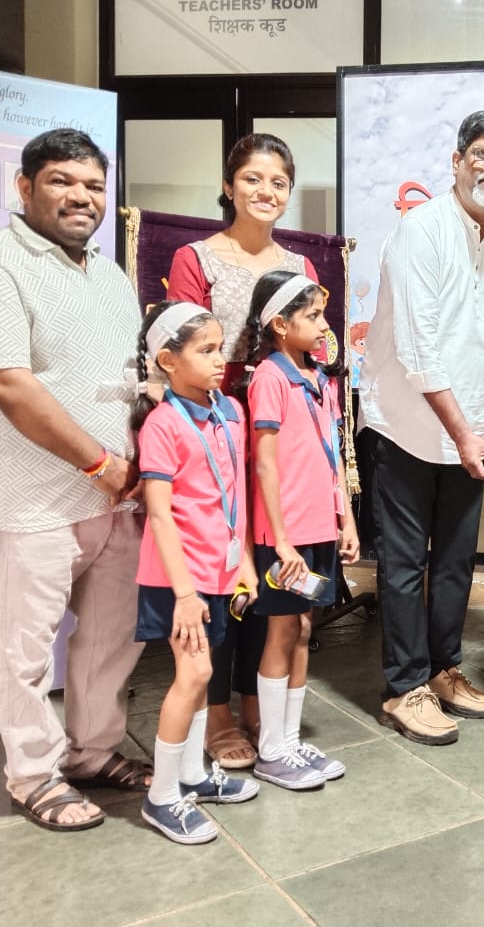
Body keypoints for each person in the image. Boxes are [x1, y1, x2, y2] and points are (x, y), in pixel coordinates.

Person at [0, 128, 149, 833]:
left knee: (110, 639)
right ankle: (34, 774)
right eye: (62, 181)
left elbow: (128, 378)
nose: (81, 197)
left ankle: (91, 752)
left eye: (94, 185)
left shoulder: (109, 274)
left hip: (118, 499)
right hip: (36, 500)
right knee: (26, 649)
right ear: (25, 188)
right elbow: (9, 383)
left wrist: (137, 465)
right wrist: (99, 461)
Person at [359, 109, 484, 745]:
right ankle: (403, 685)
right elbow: (418, 351)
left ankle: (442, 668)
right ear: (458, 161)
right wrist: (464, 433)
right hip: (408, 425)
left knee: (458, 562)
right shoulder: (421, 231)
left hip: (475, 436)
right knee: (407, 564)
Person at [167, 133, 317, 770]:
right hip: (216, 432)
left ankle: (260, 697)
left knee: (273, 569)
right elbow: (182, 353)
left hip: (282, 439)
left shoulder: (301, 268)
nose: (266, 192)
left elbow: (311, 354)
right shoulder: (194, 257)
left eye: (279, 181)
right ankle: (218, 712)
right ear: (229, 185)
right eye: (253, 179)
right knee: (224, 569)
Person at [134, 302, 261, 845]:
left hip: (218, 568)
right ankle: (162, 796)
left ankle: (189, 774)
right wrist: (184, 593)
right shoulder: (163, 424)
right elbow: (160, 513)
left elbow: (233, 495)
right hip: (177, 576)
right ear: (167, 359)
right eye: (204, 351)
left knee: (204, 675)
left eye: (219, 348)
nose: (218, 360)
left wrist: (246, 564)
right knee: (191, 676)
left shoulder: (227, 410)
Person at [242, 271, 357, 787]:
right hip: (283, 536)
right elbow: (264, 464)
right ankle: (271, 748)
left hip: (318, 529)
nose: (322, 324)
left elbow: (332, 459)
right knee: (282, 629)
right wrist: (280, 539)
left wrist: (345, 518)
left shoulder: (319, 380)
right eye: (311, 316)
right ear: (280, 324)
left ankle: (290, 740)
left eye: (321, 314)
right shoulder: (269, 377)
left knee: (305, 628)